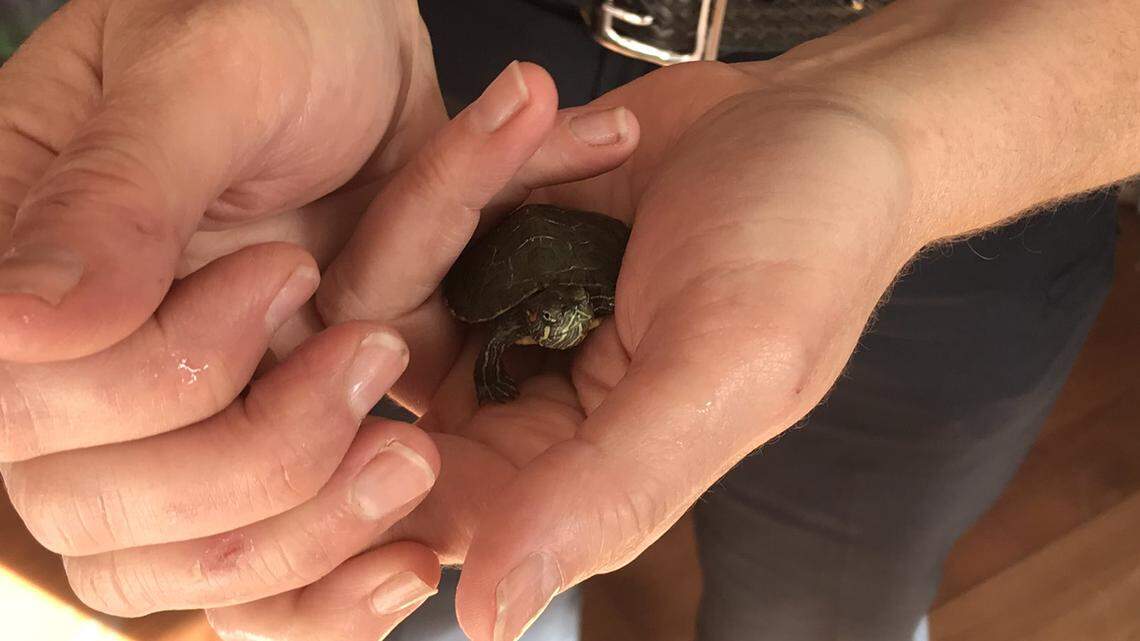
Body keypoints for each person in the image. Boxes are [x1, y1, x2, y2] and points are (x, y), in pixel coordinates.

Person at [0, 1, 1131, 640]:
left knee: (827, 605)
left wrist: (899, 135)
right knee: (437, 556)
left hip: (986, 105)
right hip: (423, 80)